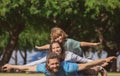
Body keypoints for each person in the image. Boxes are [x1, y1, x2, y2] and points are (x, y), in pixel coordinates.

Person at [2, 52, 116, 76]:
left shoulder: (67, 67)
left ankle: (99, 69)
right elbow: (27, 67)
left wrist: (103, 60)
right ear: (47, 64)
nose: (55, 66)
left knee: (91, 72)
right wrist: (11, 66)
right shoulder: (43, 68)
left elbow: (86, 65)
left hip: (77, 74)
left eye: (57, 64)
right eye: (52, 64)